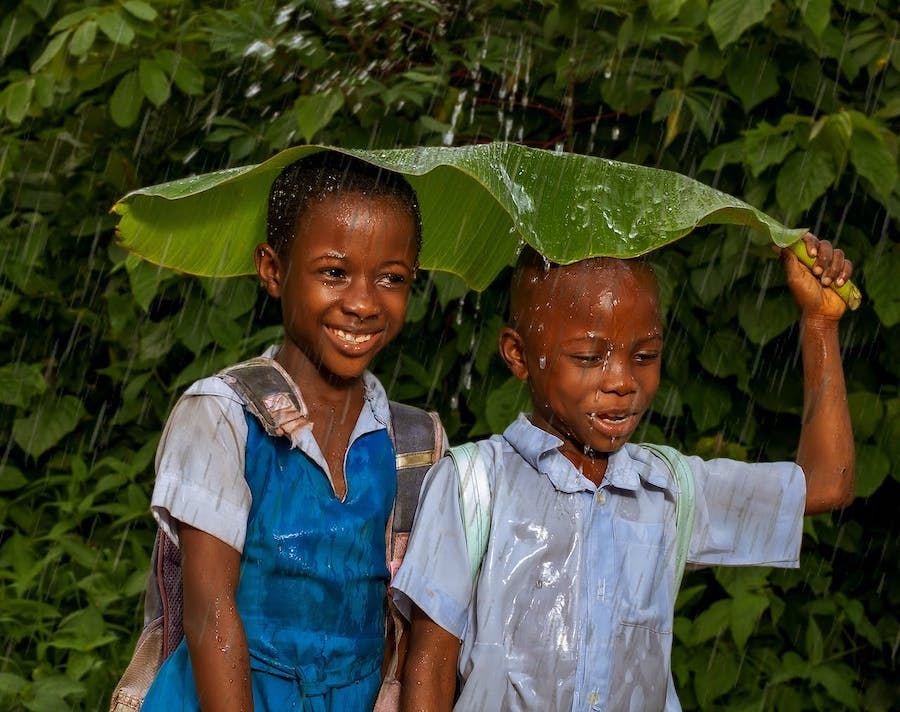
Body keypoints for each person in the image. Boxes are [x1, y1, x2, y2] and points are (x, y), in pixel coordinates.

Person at [393, 234, 855, 711]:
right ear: (518, 354)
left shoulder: (669, 492)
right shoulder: (473, 486)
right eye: (590, 357)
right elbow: (429, 667)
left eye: (645, 356)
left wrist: (819, 324)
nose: (621, 382)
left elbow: (827, 482)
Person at [141, 151, 434, 711]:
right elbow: (210, 612)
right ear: (273, 270)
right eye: (334, 272)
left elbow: (418, 624)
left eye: (391, 278)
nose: (364, 303)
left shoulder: (414, 443)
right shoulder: (224, 415)